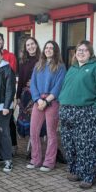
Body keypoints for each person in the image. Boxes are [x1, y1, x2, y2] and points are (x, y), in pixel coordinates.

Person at [59, 40, 96, 189]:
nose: (81, 52)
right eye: (78, 50)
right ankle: (75, 171)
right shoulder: (72, 69)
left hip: (87, 112)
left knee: (87, 146)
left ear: (91, 52)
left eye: (84, 50)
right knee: (70, 145)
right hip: (67, 112)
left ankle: (88, 176)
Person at [27, 41, 66, 172]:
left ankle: (49, 162)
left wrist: (47, 101)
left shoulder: (60, 67)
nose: (48, 50)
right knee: (33, 131)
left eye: (51, 48)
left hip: (52, 101)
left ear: (55, 51)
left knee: (51, 133)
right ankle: (35, 159)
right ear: (44, 50)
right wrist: (38, 100)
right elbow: (33, 84)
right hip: (38, 101)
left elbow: (58, 86)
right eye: (47, 48)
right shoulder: (38, 65)